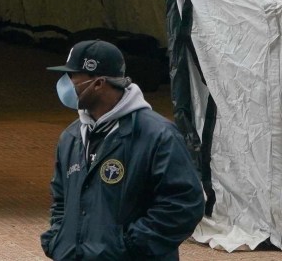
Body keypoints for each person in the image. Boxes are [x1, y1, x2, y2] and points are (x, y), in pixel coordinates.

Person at [42, 39, 204, 261]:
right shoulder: (71, 137)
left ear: (98, 83)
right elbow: (61, 199)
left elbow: (184, 205)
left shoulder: (158, 136)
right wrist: (59, 240)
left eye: (72, 76)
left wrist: (129, 246)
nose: (65, 83)